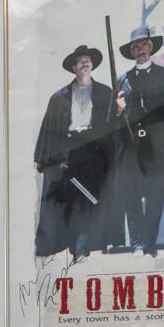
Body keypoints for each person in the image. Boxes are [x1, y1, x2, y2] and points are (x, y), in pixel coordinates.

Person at [31, 44, 116, 259]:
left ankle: (82, 246)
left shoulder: (106, 93)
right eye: (80, 61)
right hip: (68, 151)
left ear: (92, 65)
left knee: (88, 199)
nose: (84, 63)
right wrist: (52, 158)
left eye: (87, 60)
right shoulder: (59, 97)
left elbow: (113, 125)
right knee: (68, 200)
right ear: (74, 68)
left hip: (93, 153)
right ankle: (68, 244)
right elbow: (50, 131)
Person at [110, 29, 164, 254]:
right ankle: (137, 243)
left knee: (156, 195)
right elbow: (111, 119)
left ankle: (149, 243)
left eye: (143, 45)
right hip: (130, 147)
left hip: (156, 145)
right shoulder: (121, 80)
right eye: (135, 47)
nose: (139, 50)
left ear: (151, 47)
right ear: (131, 52)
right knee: (132, 195)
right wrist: (118, 109)